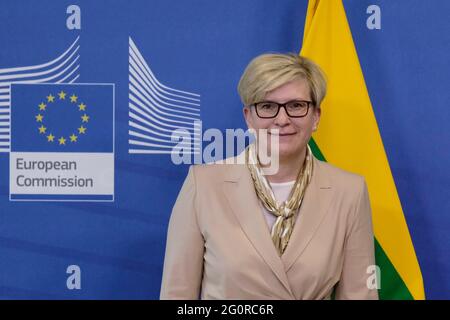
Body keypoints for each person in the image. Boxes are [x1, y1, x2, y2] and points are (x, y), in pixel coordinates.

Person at [160, 53, 378, 300]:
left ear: (316, 117)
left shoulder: (349, 191)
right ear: (248, 117)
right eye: (267, 107)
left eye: (296, 106)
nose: (282, 119)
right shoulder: (204, 185)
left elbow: (360, 295)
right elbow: (177, 296)